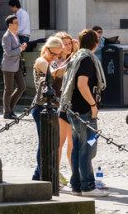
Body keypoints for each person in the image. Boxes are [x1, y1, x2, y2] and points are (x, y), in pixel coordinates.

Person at [59, 29, 109, 197]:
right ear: (96, 43)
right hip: (84, 111)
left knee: (78, 148)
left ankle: (77, 185)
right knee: (87, 148)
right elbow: (82, 84)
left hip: (75, 109)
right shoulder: (86, 59)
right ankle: (87, 185)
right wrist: (93, 105)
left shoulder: (76, 56)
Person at [30, 36, 64, 180]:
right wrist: (66, 67)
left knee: (52, 142)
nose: (55, 57)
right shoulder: (41, 61)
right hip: (40, 106)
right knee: (44, 142)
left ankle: (43, 173)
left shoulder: (53, 62)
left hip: (51, 106)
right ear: (46, 49)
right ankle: (39, 174)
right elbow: (52, 74)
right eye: (53, 53)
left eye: (58, 54)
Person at [53, 31, 76, 187]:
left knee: (72, 143)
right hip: (57, 105)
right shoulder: (54, 61)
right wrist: (71, 63)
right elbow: (55, 73)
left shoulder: (74, 58)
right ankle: (55, 173)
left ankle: (75, 172)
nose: (68, 46)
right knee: (59, 142)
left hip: (71, 106)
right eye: (65, 44)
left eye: (70, 43)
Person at [0, 15, 28, 119]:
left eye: (18, 23)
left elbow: (16, 49)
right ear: (10, 24)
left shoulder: (15, 35)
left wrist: (22, 47)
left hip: (17, 66)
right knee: (8, 90)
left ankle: (10, 108)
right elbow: (9, 52)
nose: (17, 25)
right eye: (16, 23)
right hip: (8, 66)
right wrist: (20, 48)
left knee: (22, 87)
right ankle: (7, 112)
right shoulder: (6, 36)